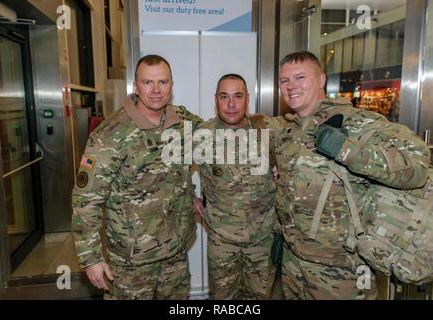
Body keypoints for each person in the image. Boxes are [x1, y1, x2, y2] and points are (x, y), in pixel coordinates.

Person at [274, 51, 431, 300]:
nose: (291, 86)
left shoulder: (359, 123)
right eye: (284, 81)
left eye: (300, 77)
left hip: (344, 270)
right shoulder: (287, 133)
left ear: (322, 80)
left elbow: (418, 168)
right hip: (294, 265)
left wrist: (347, 149)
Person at [72, 54, 202, 300]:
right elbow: (86, 199)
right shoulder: (110, 133)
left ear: (172, 86)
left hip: (175, 254)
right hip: (130, 262)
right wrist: (90, 258)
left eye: (162, 82)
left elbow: (216, 141)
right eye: (148, 82)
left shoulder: (183, 122)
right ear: (136, 86)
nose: (155, 90)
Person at [193, 74, 285, 299]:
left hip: (263, 241)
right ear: (216, 100)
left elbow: (296, 158)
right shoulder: (201, 136)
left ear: (247, 99)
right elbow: (171, 173)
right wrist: (191, 197)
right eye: (224, 97)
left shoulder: (267, 128)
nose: (231, 104)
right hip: (222, 242)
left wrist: (283, 172)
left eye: (238, 96)